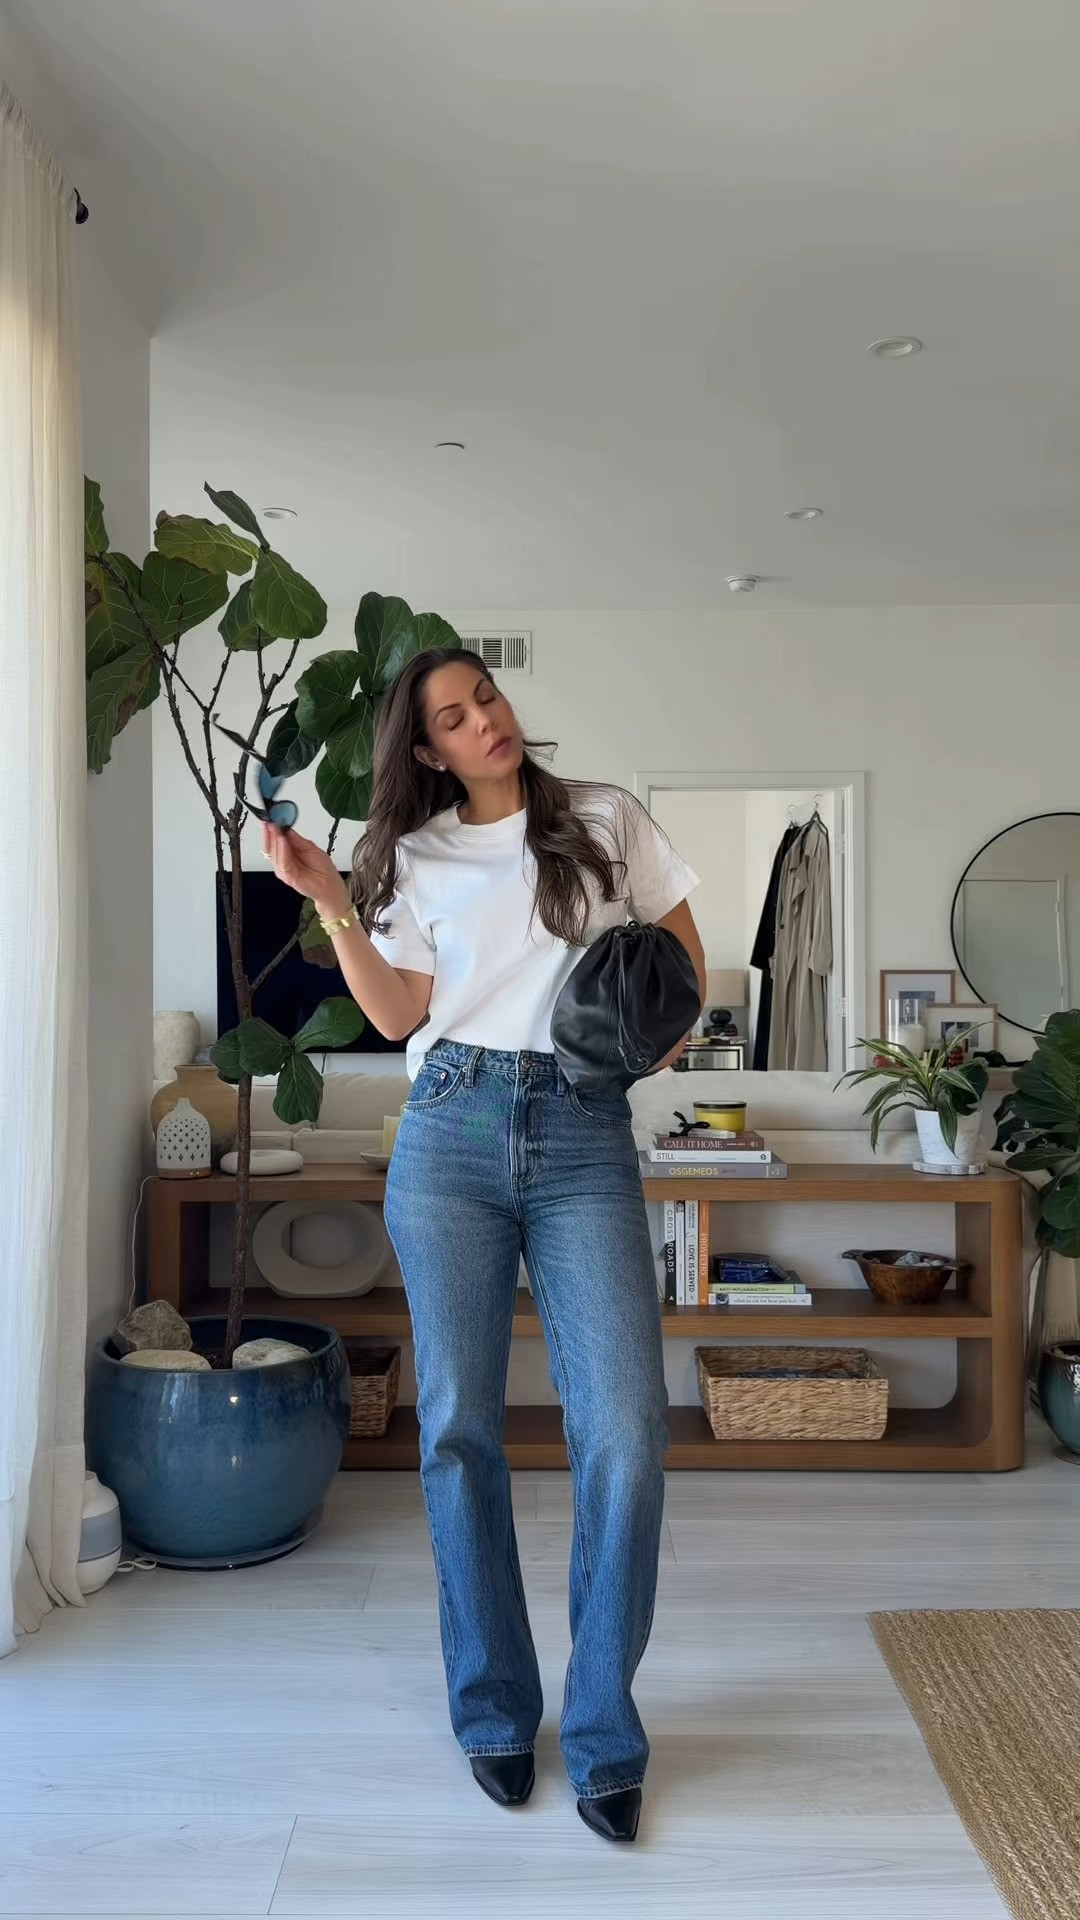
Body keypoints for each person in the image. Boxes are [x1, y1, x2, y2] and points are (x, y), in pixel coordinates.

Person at [264, 648, 704, 1844]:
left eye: (489, 699)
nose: (485, 722)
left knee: (624, 1428)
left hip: (581, 1128)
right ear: (427, 751)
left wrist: (626, 1046)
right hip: (449, 1127)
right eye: (453, 718)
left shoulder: (606, 819)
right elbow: (400, 1015)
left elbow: (685, 975)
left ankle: (605, 1728)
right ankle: (494, 1709)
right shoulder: (411, 856)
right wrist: (329, 899)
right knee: (457, 1429)